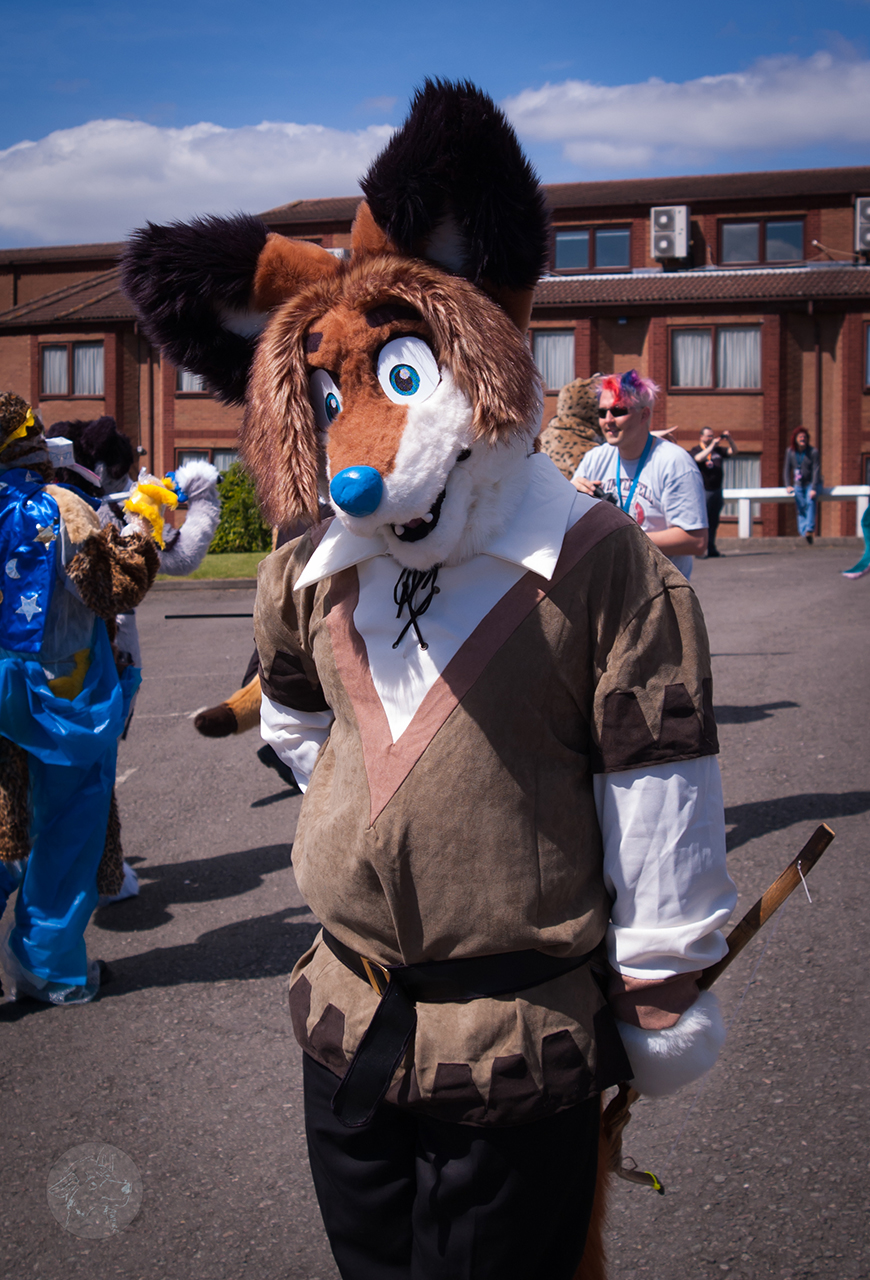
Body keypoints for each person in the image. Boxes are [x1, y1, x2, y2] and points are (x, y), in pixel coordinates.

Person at [123, 81, 736, 1279]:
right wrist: (377, 827)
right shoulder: (313, 567)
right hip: (345, 1022)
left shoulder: (602, 566)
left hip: (515, 1043)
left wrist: (660, 979)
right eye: (328, 397)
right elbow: (297, 722)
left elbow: (660, 782)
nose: (355, 464)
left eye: (398, 378)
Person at [0, 393, 163, 1003]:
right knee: (69, 828)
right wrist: (144, 527)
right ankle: (46, 966)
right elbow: (116, 587)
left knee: (5, 822)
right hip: (60, 695)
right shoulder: (62, 507)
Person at [571, 370, 708, 578]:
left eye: (618, 411)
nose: (608, 420)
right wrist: (571, 498)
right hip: (607, 588)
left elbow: (695, 541)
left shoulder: (674, 462)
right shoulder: (595, 458)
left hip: (657, 590)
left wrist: (622, 537)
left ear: (644, 415)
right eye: (602, 412)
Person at [689, 426, 738, 558]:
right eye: (708, 436)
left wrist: (730, 439)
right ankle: (700, 550)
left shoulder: (718, 450)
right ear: (701, 437)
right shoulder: (696, 450)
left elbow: (734, 451)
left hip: (716, 490)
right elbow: (698, 458)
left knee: (714, 521)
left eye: (712, 435)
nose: (711, 438)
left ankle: (711, 548)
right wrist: (712, 446)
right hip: (703, 491)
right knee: (703, 522)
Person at [783, 427, 821, 544]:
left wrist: (814, 488)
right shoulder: (790, 452)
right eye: (800, 437)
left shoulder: (813, 452)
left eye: (804, 437)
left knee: (810, 501)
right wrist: (788, 485)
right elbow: (786, 469)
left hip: (811, 483)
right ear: (795, 439)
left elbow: (816, 471)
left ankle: (809, 529)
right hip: (798, 483)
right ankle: (803, 532)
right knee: (800, 506)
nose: (802, 439)